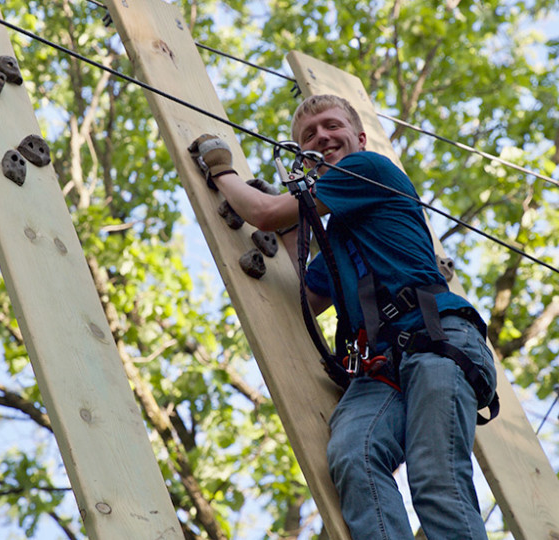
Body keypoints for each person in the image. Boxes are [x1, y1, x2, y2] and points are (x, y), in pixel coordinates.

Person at [189, 94, 496, 540]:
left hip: (436, 340)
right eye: (309, 136)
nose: (322, 137)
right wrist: (292, 226)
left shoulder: (369, 169)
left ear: (359, 137)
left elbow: (266, 214)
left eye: (332, 126)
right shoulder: (337, 236)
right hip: (381, 368)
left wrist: (224, 172)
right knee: (355, 453)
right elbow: (310, 295)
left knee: (436, 480)